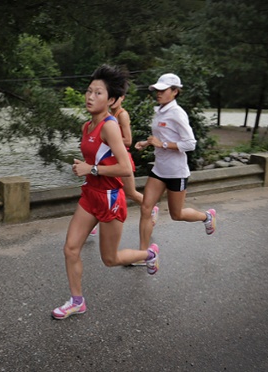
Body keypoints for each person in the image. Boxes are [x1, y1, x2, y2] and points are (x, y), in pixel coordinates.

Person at [51, 65, 159, 320]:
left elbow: (124, 167)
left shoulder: (110, 126)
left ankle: (150, 254)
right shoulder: (87, 126)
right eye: (89, 91)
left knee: (110, 259)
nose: (90, 96)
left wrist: (93, 168)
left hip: (110, 198)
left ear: (111, 99)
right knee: (70, 248)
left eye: (98, 93)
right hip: (90, 194)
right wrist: (85, 167)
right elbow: (97, 158)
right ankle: (77, 301)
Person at [134, 73, 216, 260]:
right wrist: (147, 143)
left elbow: (190, 144)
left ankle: (207, 217)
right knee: (146, 208)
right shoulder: (159, 110)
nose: (158, 93)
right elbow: (161, 136)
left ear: (175, 92)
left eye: (163, 90)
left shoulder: (178, 113)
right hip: (159, 170)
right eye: (157, 90)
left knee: (176, 214)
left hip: (176, 172)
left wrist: (161, 144)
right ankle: (143, 254)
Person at [89, 94, 160, 242]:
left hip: (122, 159)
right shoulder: (106, 115)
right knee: (97, 188)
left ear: (122, 98)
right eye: (112, 97)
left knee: (131, 193)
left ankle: (151, 208)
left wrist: (107, 137)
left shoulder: (123, 115)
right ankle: (91, 223)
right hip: (107, 158)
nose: (114, 100)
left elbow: (128, 140)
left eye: (117, 97)